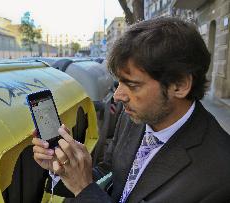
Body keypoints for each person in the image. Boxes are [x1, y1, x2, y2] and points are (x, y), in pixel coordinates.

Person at [32, 17, 230, 203]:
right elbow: (111, 173)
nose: (118, 96)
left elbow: (90, 190)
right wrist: (69, 169)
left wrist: (84, 189)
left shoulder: (220, 175)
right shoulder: (134, 116)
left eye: (132, 85)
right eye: (119, 82)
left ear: (179, 85)